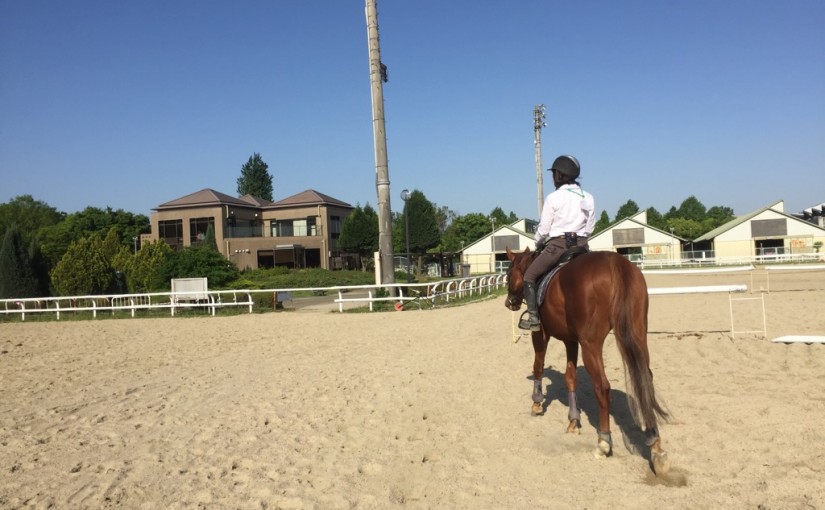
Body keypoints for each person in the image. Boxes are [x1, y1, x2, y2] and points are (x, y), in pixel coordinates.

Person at [518, 155, 595, 331]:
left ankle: (533, 318)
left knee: (529, 276)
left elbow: (544, 229)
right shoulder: (588, 197)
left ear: (559, 176)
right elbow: (590, 227)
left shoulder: (553, 198)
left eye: (554, 174)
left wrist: (537, 242)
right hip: (582, 246)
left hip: (558, 246)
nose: (553, 178)